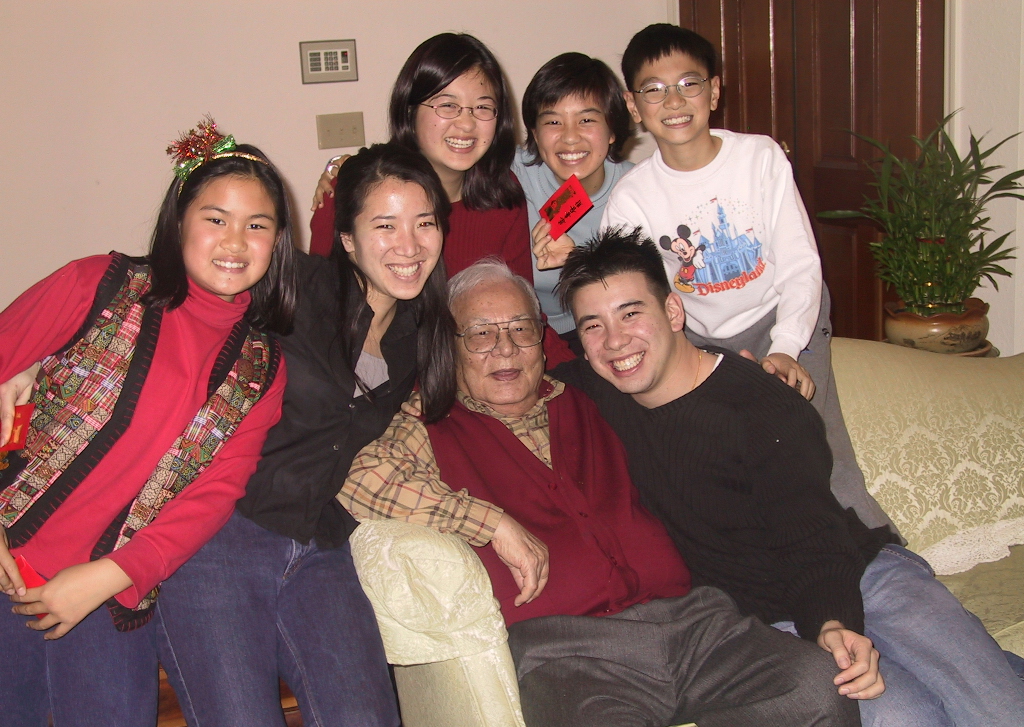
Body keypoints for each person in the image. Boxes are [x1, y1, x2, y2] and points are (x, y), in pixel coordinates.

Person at [340, 258, 874, 727]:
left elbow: (669, 368)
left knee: (811, 686)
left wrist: (759, 371)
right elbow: (356, 479)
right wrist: (490, 523)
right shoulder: (431, 420)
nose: (504, 348)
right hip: (564, 656)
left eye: (521, 329)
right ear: (450, 347)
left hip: (693, 624)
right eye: (480, 333)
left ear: (542, 339)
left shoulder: (593, 393)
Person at [553, 227, 1024, 727]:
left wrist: (830, 621)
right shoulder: (599, 393)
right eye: (595, 325)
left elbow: (811, 530)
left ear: (674, 312)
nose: (616, 341)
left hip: (860, 574)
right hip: (763, 622)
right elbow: (510, 363)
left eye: (631, 314)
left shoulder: (760, 404)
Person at [138, 142, 459, 727]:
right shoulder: (289, 291)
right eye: (384, 225)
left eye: (425, 223)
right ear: (345, 239)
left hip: (321, 548)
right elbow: (169, 291)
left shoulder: (423, 334)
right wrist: (31, 361)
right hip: (217, 540)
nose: (409, 244)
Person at [0, 119, 294, 727]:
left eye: (258, 225)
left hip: (107, 598)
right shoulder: (99, 285)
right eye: (215, 218)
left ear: (278, 240)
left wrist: (106, 578)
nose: (235, 242)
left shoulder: (261, 369)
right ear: (179, 220)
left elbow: (206, 504)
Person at [600, 23, 895, 533]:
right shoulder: (633, 196)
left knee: (813, 437)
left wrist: (785, 346)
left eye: (689, 83)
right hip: (699, 336)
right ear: (633, 103)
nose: (674, 100)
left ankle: (876, 541)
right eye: (654, 89)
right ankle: (769, 552)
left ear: (714, 90)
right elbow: (630, 289)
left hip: (780, 315)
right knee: (725, 450)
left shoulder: (759, 157)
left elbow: (801, 263)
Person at [310, 33, 576, 367]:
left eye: (482, 107)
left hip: (484, 367)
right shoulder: (352, 192)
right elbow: (318, 324)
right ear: (410, 109)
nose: (466, 124)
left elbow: (519, 311)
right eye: (447, 105)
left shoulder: (501, 196)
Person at [512, 52, 634, 352]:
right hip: (520, 332)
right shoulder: (510, 176)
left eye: (587, 120)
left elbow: (640, 293)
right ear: (535, 134)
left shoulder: (635, 190)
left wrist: (578, 262)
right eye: (553, 121)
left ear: (613, 131)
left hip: (601, 329)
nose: (570, 138)